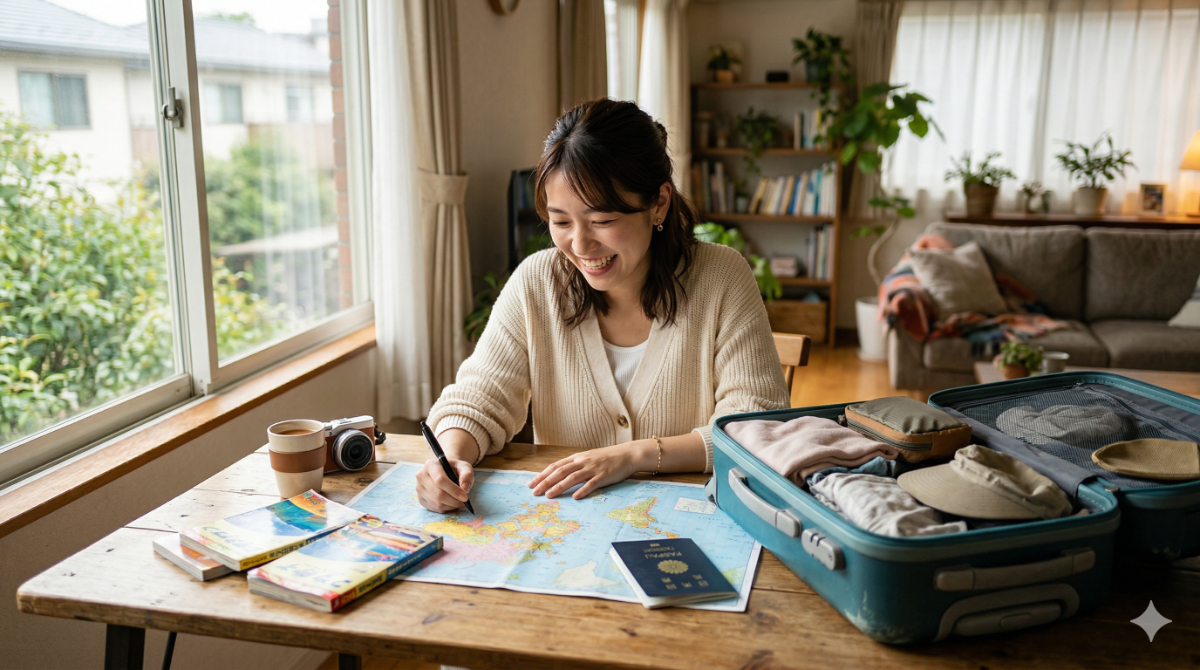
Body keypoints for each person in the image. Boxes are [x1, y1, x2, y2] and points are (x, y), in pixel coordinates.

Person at [417, 99, 789, 513]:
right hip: (569, 527)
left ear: (659, 203)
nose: (580, 244)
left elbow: (756, 427)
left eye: (602, 221)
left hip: (691, 520)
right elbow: (480, 398)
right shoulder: (537, 283)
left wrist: (633, 456)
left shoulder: (722, 277)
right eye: (561, 222)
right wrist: (450, 459)